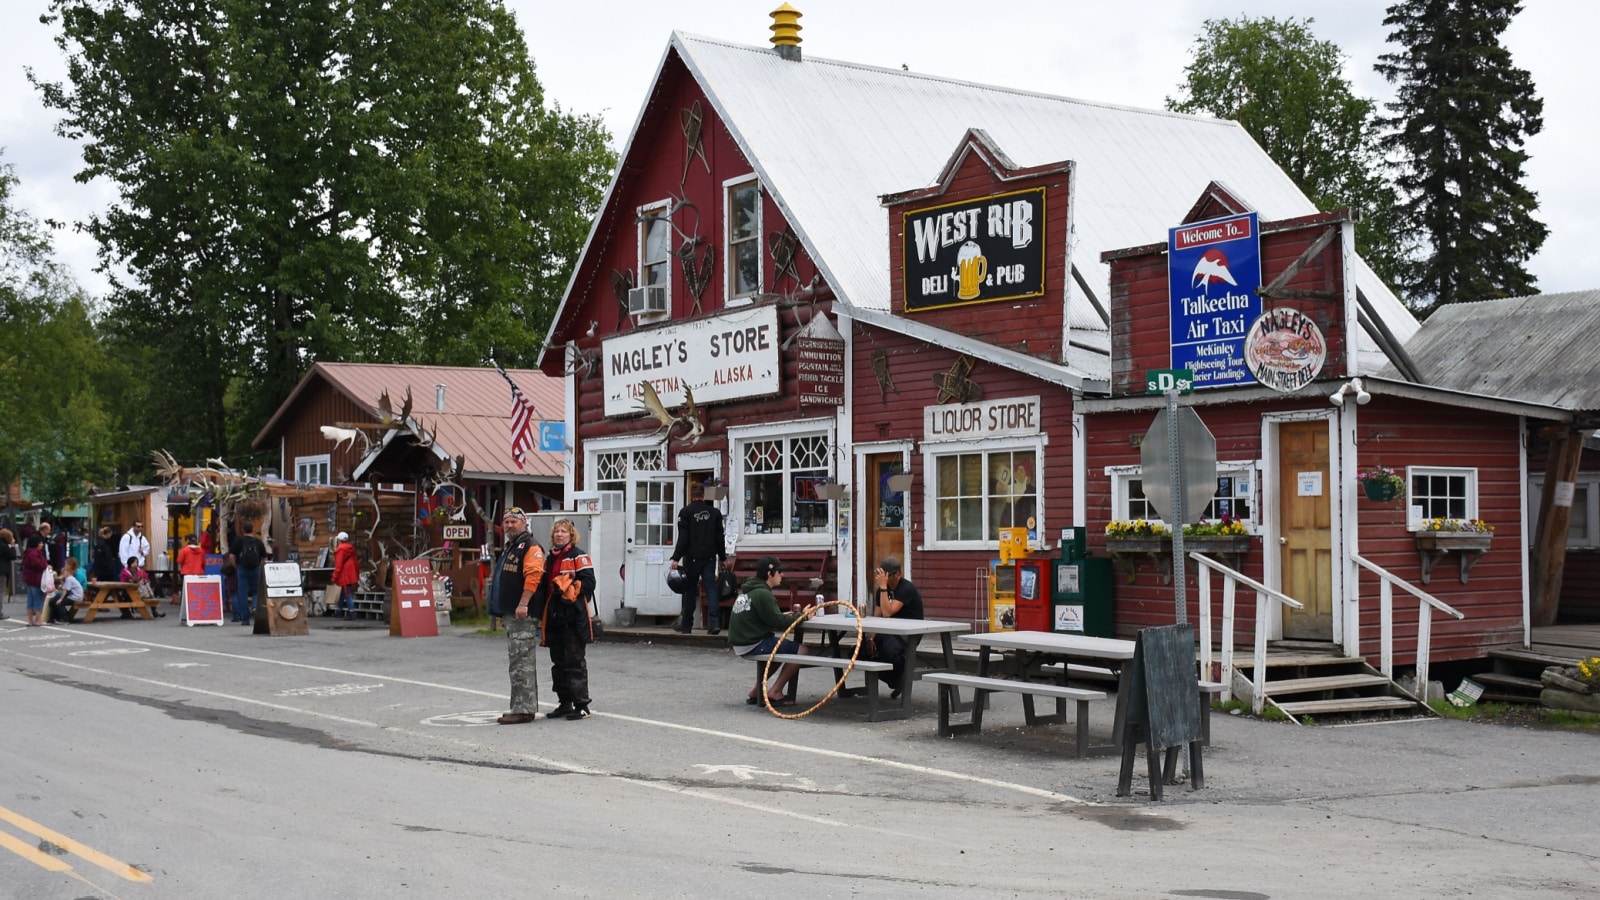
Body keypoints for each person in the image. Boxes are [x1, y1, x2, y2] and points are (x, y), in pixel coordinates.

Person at [728, 556, 811, 707]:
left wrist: (783, 616)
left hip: (741, 642)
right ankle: (776, 691)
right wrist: (803, 617)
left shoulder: (749, 591)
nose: (783, 575)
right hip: (752, 643)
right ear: (769, 574)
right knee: (802, 650)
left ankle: (756, 690)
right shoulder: (763, 594)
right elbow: (778, 623)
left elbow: (766, 617)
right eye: (780, 572)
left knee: (778, 648)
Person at [537, 518, 598, 720]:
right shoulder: (550, 558)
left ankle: (582, 705)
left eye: (563, 531)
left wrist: (569, 585)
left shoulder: (578, 556)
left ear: (571, 535)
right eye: (556, 531)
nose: (559, 534)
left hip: (573, 617)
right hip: (554, 617)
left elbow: (590, 583)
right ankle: (564, 703)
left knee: (575, 662)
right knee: (558, 663)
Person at [489, 508, 545, 725]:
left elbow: (534, 575)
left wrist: (523, 603)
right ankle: (520, 707)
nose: (510, 525)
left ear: (524, 523)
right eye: (507, 522)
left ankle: (523, 709)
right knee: (517, 662)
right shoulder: (512, 546)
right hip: (513, 614)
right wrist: (505, 611)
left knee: (522, 662)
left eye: (514, 521)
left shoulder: (530, 546)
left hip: (524, 614)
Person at [670, 481, 727, 634]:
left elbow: (684, 537)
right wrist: (722, 558)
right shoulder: (714, 513)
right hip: (709, 557)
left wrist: (676, 558)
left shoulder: (686, 513)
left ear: (691, 495)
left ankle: (687, 624)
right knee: (711, 589)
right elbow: (719, 538)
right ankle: (714, 623)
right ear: (704, 495)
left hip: (693, 557)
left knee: (690, 590)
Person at [869, 555, 924, 697]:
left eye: (887, 575)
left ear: (898, 574)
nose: (884, 579)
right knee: (861, 651)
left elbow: (888, 612)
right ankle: (895, 680)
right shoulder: (881, 591)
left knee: (889, 650)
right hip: (889, 631)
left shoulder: (906, 588)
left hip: (909, 632)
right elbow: (878, 615)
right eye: (882, 575)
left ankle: (900, 678)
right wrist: (870, 638)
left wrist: (882, 588)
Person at [231, 521, 267, 625]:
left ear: (243, 530)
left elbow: (232, 556)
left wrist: (236, 566)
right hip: (256, 568)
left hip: (242, 568)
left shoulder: (238, 541)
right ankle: (255, 606)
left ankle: (245, 619)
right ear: (253, 529)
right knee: (256, 591)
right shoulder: (258, 542)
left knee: (242, 593)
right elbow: (264, 558)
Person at [22, 533, 49, 626]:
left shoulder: (28, 552)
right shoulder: (35, 553)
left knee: (31, 600)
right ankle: (39, 620)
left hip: (29, 579)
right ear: (36, 543)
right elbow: (39, 565)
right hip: (36, 579)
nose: (42, 544)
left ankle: (30, 620)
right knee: (38, 599)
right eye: (40, 543)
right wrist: (46, 565)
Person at [47, 558, 85, 624]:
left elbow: (65, 590)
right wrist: (61, 580)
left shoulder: (70, 579)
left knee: (59, 603)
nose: (63, 574)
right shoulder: (68, 578)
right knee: (53, 601)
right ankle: (54, 617)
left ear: (68, 572)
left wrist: (61, 599)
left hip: (75, 596)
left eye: (64, 573)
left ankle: (64, 618)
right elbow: (63, 587)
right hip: (72, 595)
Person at [332, 531, 358, 619]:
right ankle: (339, 610)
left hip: (344, 574)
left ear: (339, 540)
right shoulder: (350, 548)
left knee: (347, 593)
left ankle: (352, 612)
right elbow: (356, 562)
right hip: (351, 573)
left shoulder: (340, 550)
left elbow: (338, 565)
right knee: (343, 592)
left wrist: (334, 577)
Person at [0, 527, 15, 617]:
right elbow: (13, 556)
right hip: (1, 571)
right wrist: (12, 546)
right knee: (1, 591)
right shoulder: (4, 546)